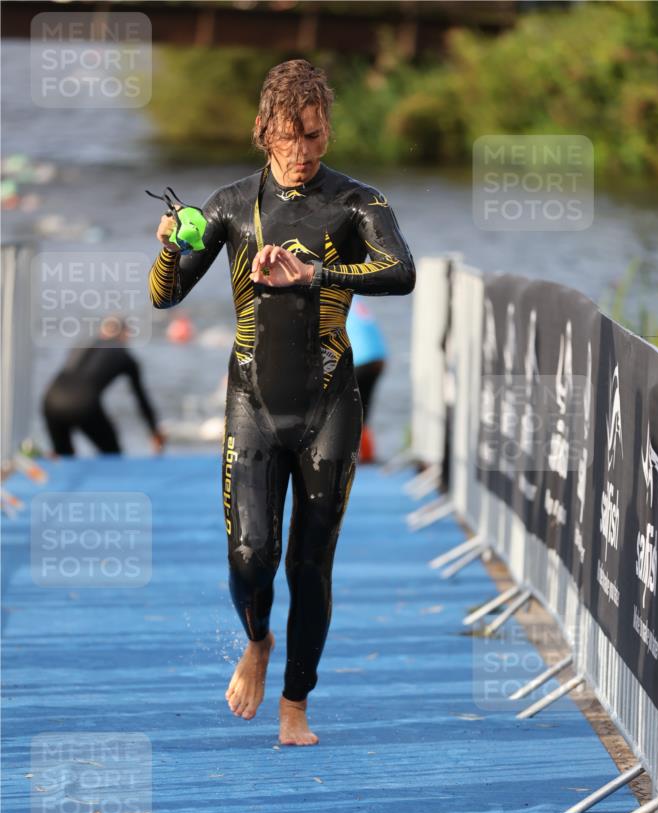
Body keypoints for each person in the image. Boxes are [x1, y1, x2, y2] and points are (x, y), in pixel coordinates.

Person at [148, 59, 415, 745]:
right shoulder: (234, 204)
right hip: (253, 405)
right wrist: (168, 248)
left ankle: (295, 703)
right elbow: (164, 295)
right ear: (262, 132)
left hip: (329, 405)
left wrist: (314, 274)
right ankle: (257, 640)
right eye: (289, 138)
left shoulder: (358, 203)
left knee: (309, 563)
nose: (301, 154)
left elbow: (401, 270)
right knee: (250, 554)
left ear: (327, 133)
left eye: (315, 137)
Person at [42, 316, 165, 457]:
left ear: (104, 331)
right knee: (113, 457)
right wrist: (154, 431)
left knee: (64, 458)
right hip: (82, 404)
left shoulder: (83, 344)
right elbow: (141, 399)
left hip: (50, 399)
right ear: (124, 334)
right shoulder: (124, 355)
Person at [346, 299, 388, 463]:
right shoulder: (354, 297)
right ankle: (367, 455)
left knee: (348, 410)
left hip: (360, 358)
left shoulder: (329, 295)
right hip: (378, 357)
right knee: (362, 409)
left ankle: (358, 457)